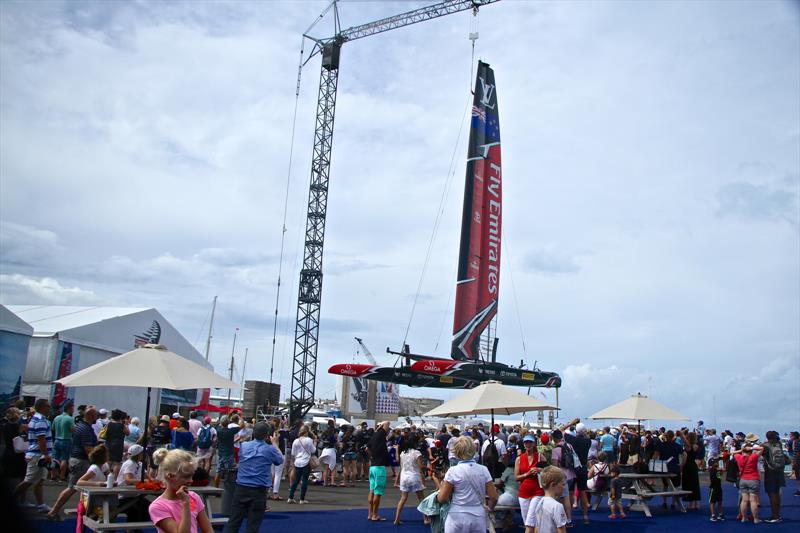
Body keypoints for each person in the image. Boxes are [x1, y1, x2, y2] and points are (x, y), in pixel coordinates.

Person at [224, 422, 283, 533]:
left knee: (234, 521)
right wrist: (275, 444)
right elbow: (279, 460)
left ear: (254, 433)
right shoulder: (269, 449)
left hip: (241, 487)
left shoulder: (244, 446)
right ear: (267, 435)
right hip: (259, 490)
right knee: (253, 524)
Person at [434, 436, 497, 533]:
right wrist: (489, 509)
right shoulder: (483, 470)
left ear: (457, 452)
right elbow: (493, 497)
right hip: (478, 515)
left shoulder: (453, 471)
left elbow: (442, 498)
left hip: (457, 514)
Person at [47, 407, 99, 520]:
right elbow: (88, 449)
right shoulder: (85, 429)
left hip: (77, 459)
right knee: (73, 487)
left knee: (82, 487)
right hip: (81, 461)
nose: (97, 417)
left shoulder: (81, 426)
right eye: (96, 415)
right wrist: (98, 461)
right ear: (91, 416)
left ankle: (84, 510)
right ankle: (53, 511)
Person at [149, 448, 214, 533]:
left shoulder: (193, 497)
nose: (191, 481)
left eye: (191, 476)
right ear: (170, 476)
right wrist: (185, 504)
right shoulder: (158, 506)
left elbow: (208, 530)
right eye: (186, 476)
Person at [12, 398, 53, 513]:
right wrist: (46, 455)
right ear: (41, 407)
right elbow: (41, 439)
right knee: (28, 480)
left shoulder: (38, 419)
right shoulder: (40, 420)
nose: (49, 408)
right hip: (37, 455)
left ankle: (40, 505)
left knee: (39, 480)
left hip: (38, 454)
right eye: (48, 406)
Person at [393, 435, 430, 525]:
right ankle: (425, 518)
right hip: (414, 476)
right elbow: (420, 466)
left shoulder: (403, 453)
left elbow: (401, 468)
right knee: (421, 498)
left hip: (404, 477)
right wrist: (428, 468)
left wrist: (396, 480)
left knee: (403, 498)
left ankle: (397, 519)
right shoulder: (417, 453)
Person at [525, 466, 567, 533]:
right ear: (553, 485)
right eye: (563, 484)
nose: (564, 488)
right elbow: (561, 531)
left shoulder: (540, 503)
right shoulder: (557, 506)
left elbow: (537, 528)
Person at [516, 433, 545, 528]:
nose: (528, 444)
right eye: (526, 442)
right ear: (523, 444)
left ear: (534, 444)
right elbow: (516, 477)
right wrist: (527, 474)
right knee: (526, 521)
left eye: (530, 442)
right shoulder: (519, 459)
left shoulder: (540, 456)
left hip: (538, 491)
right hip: (524, 492)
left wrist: (540, 470)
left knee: (531, 519)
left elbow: (549, 472)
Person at [732, 434, 762, 523]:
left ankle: (743, 517)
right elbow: (761, 449)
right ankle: (756, 518)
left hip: (743, 479)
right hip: (753, 479)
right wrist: (752, 449)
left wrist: (742, 450)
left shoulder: (738, 457)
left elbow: (733, 453)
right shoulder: (753, 457)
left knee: (744, 500)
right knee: (753, 500)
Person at [366, 420, 391, 521]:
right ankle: (375, 515)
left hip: (372, 467)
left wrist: (372, 456)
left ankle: (370, 514)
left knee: (371, 490)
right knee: (378, 492)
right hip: (380, 467)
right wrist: (381, 426)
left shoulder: (373, 436)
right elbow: (387, 422)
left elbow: (367, 449)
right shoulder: (381, 435)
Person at [761, 430, 786, 523]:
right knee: (777, 493)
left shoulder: (765, 446)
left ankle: (775, 516)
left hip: (770, 471)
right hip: (779, 471)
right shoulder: (778, 444)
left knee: (772, 493)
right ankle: (777, 514)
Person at [287, 425, 315, 504]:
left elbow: (293, 453)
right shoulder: (309, 440)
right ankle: (302, 499)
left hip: (297, 462)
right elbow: (313, 450)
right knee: (305, 480)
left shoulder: (296, 441)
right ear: (306, 432)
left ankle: (290, 497)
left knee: (296, 480)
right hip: (306, 462)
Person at [677, 429, 701, 510]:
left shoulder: (688, 446)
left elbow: (680, 433)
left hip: (688, 466)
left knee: (689, 484)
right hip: (693, 465)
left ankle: (691, 504)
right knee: (695, 484)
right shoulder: (696, 446)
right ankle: (696, 503)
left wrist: (684, 431)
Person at [52, 401, 75, 482]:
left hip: (56, 439)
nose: (73, 411)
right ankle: (62, 476)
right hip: (66, 440)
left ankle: (53, 475)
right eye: (72, 409)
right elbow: (73, 430)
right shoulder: (69, 418)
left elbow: (53, 428)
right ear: (69, 409)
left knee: (55, 458)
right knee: (64, 459)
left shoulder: (57, 418)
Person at [105, 409, 129, 478]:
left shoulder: (109, 424)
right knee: (116, 463)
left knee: (108, 461)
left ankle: (107, 477)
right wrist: (125, 424)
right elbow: (128, 433)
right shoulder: (122, 425)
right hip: (118, 445)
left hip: (108, 444)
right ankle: (114, 478)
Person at [214, 415, 237, 487]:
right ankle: (227, 489)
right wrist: (240, 416)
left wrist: (229, 415)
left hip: (220, 453)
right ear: (228, 422)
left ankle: (216, 488)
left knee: (218, 471)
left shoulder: (218, 430)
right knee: (229, 472)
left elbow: (220, 423)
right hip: (229, 453)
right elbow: (242, 425)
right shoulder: (231, 431)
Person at [319, 422, 339, 487]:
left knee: (326, 468)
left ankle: (325, 482)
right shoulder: (332, 436)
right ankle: (332, 482)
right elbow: (336, 443)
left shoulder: (324, 436)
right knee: (333, 467)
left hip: (324, 451)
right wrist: (337, 438)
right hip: (331, 451)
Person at [707, 457, 724, 522]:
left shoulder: (717, 470)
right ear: (712, 464)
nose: (717, 463)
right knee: (712, 502)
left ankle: (720, 514)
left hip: (718, 487)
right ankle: (713, 515)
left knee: (720, 501)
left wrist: (721, 471)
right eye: (715, 462)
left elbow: (719, 477)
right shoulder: (712, 469)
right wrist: (719, 470)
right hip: (713, 488)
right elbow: (714, 472)